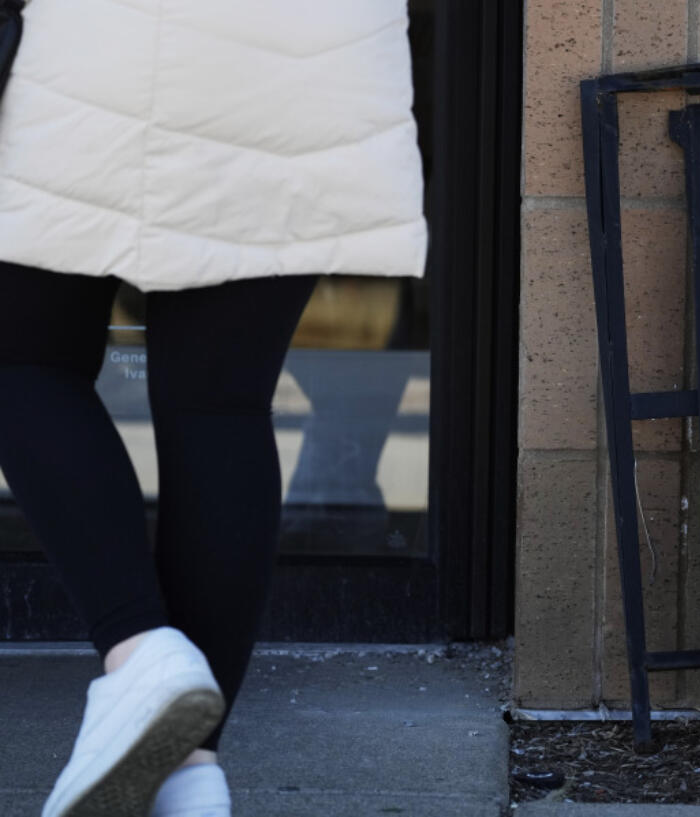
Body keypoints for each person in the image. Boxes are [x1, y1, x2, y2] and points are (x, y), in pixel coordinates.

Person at [0, 2, 427, 816]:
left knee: (22, 360)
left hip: (102, 60)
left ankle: (139, 649)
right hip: (312, 72)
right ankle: (189, 774)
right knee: (221, 407)